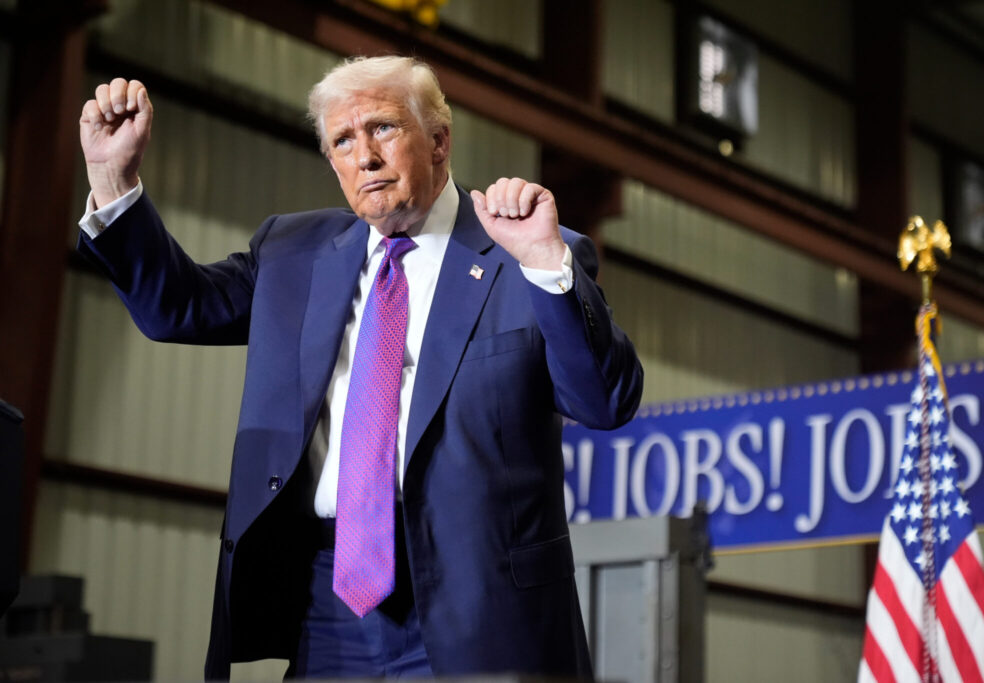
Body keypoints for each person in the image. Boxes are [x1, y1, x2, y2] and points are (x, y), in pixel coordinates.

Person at [77, 55, 643, 679]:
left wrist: (543, 260)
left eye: (383, 128)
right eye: (342, 141)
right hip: (329, 604)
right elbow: (178, 309)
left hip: (480, 604)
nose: (365, 157)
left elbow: (604, 402)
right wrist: (112, 180)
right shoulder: (292, 252)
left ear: (439, 141)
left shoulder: (523, 255)